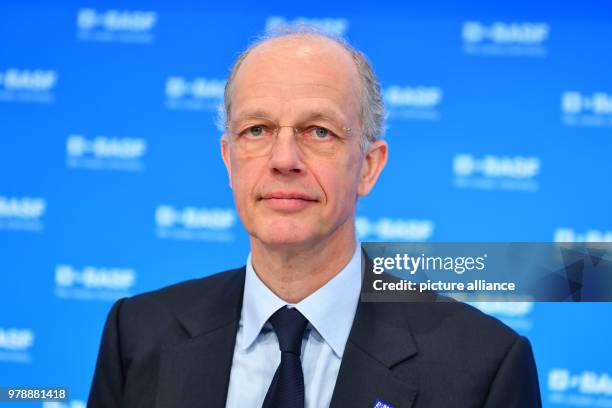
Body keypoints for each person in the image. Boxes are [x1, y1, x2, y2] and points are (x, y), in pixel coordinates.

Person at [88, 26, 542, 408]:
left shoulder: (484, 366)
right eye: (257, 130)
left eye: (319, 131)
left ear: (368, 165)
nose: (284, 159)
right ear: (229, 160)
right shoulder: (138, 333)